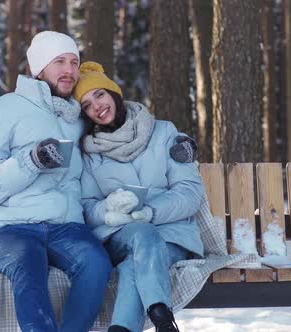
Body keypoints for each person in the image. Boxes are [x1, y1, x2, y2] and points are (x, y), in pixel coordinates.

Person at [0, 32, 112, 332]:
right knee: (29, 266)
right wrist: (31, 162)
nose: (69, 70)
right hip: (10, 228)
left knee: (97, 263)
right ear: (38, 68)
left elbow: (120, 117)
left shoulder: (77, 118)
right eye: (59, 62)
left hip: (66, 225)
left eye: (74, 62)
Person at [76, 62, 205, 332]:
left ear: (113, 93)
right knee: (142, 234)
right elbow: (87, 207)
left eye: (99, 94)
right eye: (87, 105)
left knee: (132, 268)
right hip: (119, 235)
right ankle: (162, 317)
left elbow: (190, 192)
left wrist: (152, 212)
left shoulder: (165, 133)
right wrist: (108, 210)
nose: (96, 106)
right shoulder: (90, 152)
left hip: (171, 234)